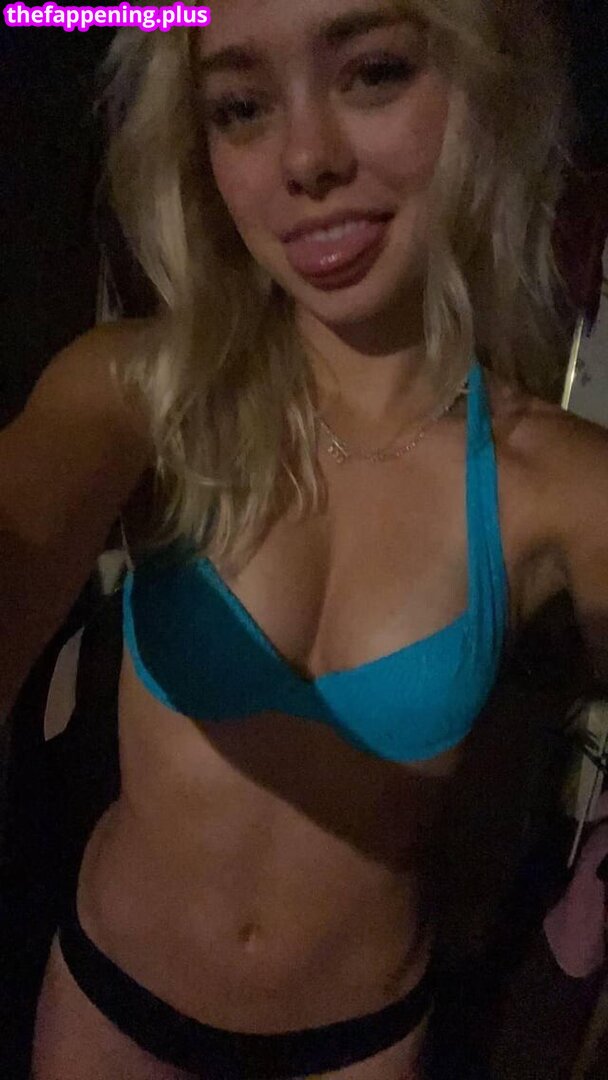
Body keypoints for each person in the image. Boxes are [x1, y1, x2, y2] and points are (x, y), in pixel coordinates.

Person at [1, 2, 607, 1077]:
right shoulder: (137, 397)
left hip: (355, 1049)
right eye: (240, 106)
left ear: (484, 89)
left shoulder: (561, 486)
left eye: (373, 72)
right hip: (110, 1018)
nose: (305, 158)